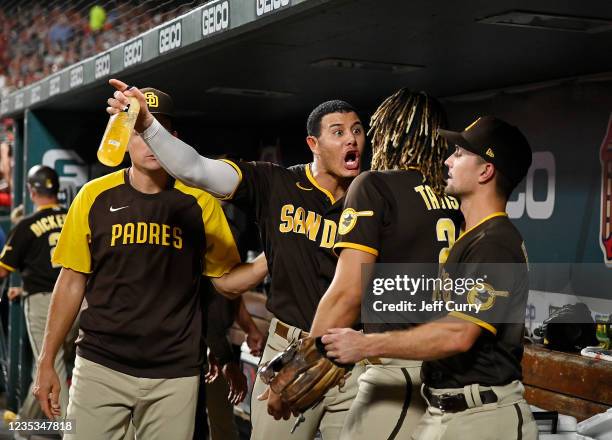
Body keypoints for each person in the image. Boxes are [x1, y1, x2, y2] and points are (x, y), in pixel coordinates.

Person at [106, 78, 367, 440]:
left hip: (349, 350)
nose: (351, 139)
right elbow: (197, 169)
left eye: (357, 130)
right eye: (338, 132)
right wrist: (149, 126)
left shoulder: (372, 196)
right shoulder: (275, 183)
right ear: (313, 144)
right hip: (289, 347)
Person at [33, 88, 246, 440]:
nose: (149, 141)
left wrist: (275, 256)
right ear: (124, 139)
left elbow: (226, 282)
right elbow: (71, 281)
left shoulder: (201, 204)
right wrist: (46, 360)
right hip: (102, 363)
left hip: (174, 372)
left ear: (173, 140)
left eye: (156, 132)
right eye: (139, 131)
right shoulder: (93, 196)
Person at [321, 116, 538, 440]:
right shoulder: (472, 239)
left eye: (461, 154)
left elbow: (459, 334)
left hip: (485, 417)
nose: (448, 160)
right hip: (449, 412)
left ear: (485, 171)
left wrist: (366, 344)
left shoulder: (494, 243)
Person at [308, 89, 463, 439]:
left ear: (390, 130)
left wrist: (302, 364)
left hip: (398, 371)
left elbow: (346, 294)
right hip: (454, 369)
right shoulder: (460, 195)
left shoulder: (375, 185)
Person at [0, 165, 70, 420]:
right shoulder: (73, 216)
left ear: (31, 191)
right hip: (79, 302)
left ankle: (70, 433)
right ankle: (25, 425)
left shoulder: (27, 224)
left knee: (52, 364)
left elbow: (2, 270)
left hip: (45, 303)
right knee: (44, 368)